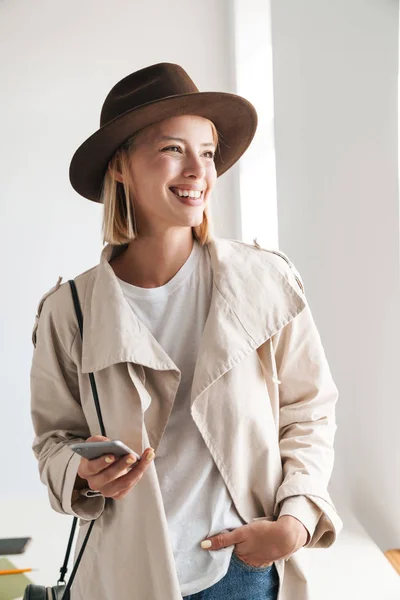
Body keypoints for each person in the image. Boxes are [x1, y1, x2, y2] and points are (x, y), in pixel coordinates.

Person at [30, 63, 342, 600]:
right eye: (174, 148)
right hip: (120, 576)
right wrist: (84, 474)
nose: (198, 169)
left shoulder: (265, 280)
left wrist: (296, 520)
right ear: (121, 166)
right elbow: (53, 442)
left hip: (241, 568)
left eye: (208, 152)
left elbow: (309, 410)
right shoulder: (71, 309)